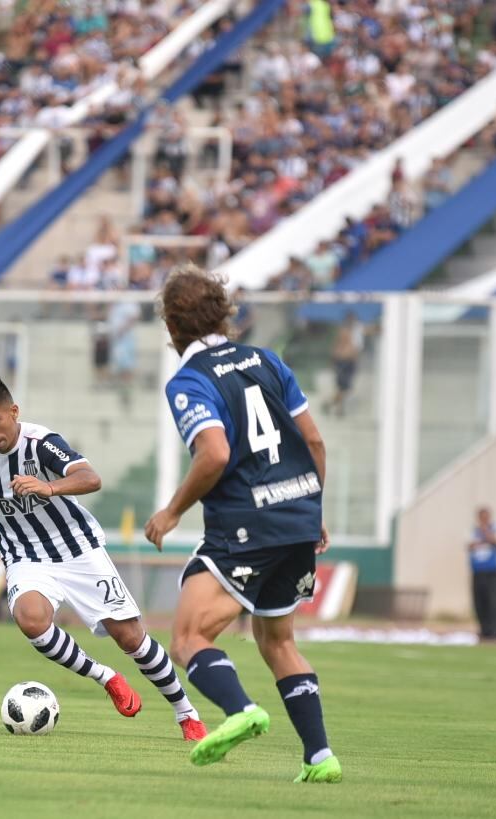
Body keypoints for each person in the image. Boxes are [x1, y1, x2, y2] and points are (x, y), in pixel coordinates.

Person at [144, 265, 341, 783]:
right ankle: (320, 758)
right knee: (277, 640)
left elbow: (214, 453)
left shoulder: (190, 379)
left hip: (245, 526)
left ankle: (239, 710)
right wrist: (313, 510)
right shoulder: (268, 360)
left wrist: (171, 511)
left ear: (171, 324)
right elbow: (315, 443)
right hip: (298, 516)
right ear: (223, 312)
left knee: (188, 639)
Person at [0, 375, 207, 742]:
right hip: (25, 554)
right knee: (30, 619)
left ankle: (187, 714)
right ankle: (106, 677)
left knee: (130, 638)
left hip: (76, 549)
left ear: (14, 412)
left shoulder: (42, 444)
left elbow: (91, 478)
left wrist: (48, 486)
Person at [468, 506, 496, 640]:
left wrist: (485, 532)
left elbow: (495, 541)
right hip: (477, 571)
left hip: (492, 572)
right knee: (479, 602)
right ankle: (484, 630)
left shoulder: (495, 528)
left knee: (493, 601)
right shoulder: (473, 531)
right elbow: (469, 545)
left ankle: (495, 630)